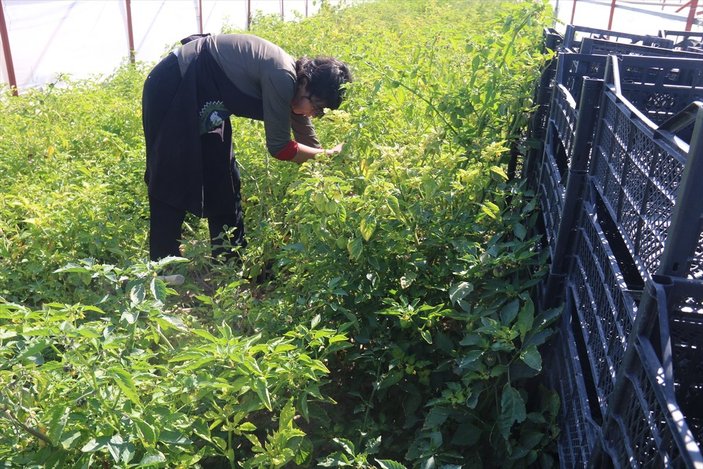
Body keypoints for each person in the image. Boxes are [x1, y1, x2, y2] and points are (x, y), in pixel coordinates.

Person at [142, 33, 352, 261]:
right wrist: (328, 156)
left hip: (208, 96)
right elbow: (280, 147)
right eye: (316, 106)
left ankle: (228, 259)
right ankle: (162, 265)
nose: (313, 114)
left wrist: (330, 176)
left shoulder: (298, 91)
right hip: (176, 82)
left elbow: (310, 145)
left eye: (320, 112)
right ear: (305, 83)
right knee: (171, 170)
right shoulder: (282, 77)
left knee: (223, 174)